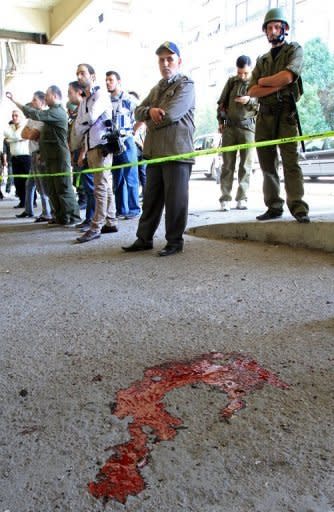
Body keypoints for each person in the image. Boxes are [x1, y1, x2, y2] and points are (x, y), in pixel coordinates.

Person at [122, 41, 195, 257]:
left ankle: (174, 242)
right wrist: (150, 111)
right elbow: (137, 111)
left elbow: (171, 114)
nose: (165, 63)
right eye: (161, 60)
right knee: (151, 200)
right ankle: (144, 239)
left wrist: (150, 117)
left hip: (177, 152)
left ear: (179, 62)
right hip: (154, 153)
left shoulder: (186, 84)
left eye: (169, 59)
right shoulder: (157, 88)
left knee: (176, 202)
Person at [248, 7, 310, 223]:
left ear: (284, 28)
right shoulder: (262, 60)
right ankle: (273, 205)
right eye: (269, 28)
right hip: (264, 117)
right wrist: (274, 84)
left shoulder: (294, 50)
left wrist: (265, 82)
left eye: (277, 26)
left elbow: (288, 76)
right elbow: (251, 90)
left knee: (290, 163)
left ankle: (298, 206)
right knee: (267, 165)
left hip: (286, 115)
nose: (273, 31)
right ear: (265, 32)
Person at [6, 86, 81, 226]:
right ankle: (61, 217)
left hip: (59, 157)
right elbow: (37, 136)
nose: (45, 98)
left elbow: (36, 117)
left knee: (64, 188)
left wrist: (15, 101)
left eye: (47, 95)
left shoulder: (57, 113)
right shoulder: (50, 114)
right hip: (49, 157)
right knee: (52, 190)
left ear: (55, 96)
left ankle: (74, 218)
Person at [74, 63, 118, 243]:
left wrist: (80, 124)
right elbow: (81, 124)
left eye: (82, 73)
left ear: (92, 76)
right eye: (77, 73)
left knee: (100, 188)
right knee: (105, 185)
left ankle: (96, 226)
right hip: (92, 146)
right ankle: (111, 221)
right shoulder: (85, 99)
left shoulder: (100, 95)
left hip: (102, 146)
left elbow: (89, 119)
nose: (79, 76)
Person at [217, 55, 258, 211]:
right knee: (227, 165)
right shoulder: (231, 82)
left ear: (250, 69)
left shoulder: (256, 82)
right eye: (239, 73)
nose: (242, 76)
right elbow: (221, 103)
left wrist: (249, 101)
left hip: (248, 129)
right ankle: (225, 198)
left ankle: (242, 198)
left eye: (245, 73)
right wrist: (220, 122)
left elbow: (262, 105)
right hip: (230, 129)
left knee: (246, 166)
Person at [106, 71, 140, 219]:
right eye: (106, 80)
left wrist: (133, 131)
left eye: (111, 80)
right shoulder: (105, 101)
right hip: (112, 143)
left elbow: (142, 116)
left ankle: (134, 210)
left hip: (126, 141)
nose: (108, 82)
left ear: (119, 81)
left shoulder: (129, 99)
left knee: (131, 177)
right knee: (117, 178)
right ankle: (121, 210)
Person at [16, 91, 52, 222]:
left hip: (39, 154)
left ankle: (47, 213)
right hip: (32, 153)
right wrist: (29, 131)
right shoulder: (32, 118)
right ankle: (28, 210)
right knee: (30, 183)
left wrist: (29, 132)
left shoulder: (42, 117)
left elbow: (31, 136)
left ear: (42, 102)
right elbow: (23, 134)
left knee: (42, 185)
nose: (32, 102)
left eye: (34, 100)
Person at [67, 80, 95, 229]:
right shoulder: (77, 109)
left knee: (91, 188)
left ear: (79, 92)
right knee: (86, 185)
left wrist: (83, 153)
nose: (68, 96)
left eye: (70, 92)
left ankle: (92, 219)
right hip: (77, 151)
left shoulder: (85, 108)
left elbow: (88, 131)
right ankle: (89, 218)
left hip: (85, 151)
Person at [3, 110, 31, 209]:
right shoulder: (10, 127)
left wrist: (12, 139)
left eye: (16, 115)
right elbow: (7, 136)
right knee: (18, 181)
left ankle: (31, 202)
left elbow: (20, 136)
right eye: (13, 115)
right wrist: (16, 138)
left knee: (27, 181)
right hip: (14, 158)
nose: (14, 117)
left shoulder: (25, 126)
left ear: (21, 117)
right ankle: (22, 201)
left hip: (25, 157)